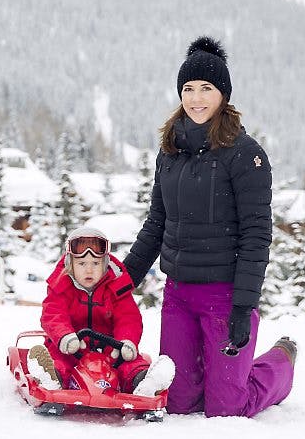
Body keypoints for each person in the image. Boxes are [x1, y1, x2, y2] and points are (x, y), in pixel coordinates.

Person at [123, 36, 296, 417]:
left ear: (223, 95)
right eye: (188, 88)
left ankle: (280, 363)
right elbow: (156, 222)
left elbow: (256, 235)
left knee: (226, 407)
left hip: (225, 296)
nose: (196, 98)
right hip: (179, 294)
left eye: (206, 89)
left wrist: (243, 306)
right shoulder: (170, 151)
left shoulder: (245, 153)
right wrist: (123, 279)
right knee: (179, 402)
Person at [27, 227, 175, 396]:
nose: (89, 270)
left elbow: (129, 318)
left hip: (110, 350)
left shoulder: (116, 288)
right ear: (71, 265)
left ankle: (144, 382)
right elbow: (53, 315)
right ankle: (51, 379)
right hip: (71, 347)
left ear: (105, 265)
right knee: (59, 360)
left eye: (96, 264)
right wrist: (65, 337)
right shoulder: (61, 287)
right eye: (82, 264)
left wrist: (126, 341)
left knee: (130, 364)